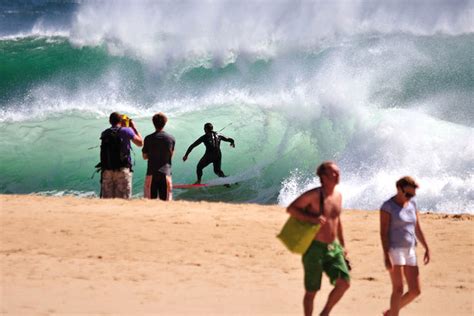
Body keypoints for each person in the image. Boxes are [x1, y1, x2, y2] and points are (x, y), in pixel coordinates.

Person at [286, 161, 350, 316]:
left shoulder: (338, 196)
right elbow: (291, 209)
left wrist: (342, 245)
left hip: (333, 248)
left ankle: (325, 313)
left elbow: (337, 220)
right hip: (314, 248)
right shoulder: (314, 195)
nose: (337, 175)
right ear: (323, 177)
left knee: (344, 282)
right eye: (333, 173)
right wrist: (311, 218)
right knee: (312, 291)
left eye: (337, 172)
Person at [380, 176, 430, 316]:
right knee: (398, 289)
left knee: (415, 290)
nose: (409, 197)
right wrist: (386, 255)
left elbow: (417, 228)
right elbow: (383, 233)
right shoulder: (388, 206)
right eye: (407, 194)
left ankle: (390, 312)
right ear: (398, 189)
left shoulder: (412, 205)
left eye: (412, 195)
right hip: (394, 250)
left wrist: (426, 247)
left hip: (410, 250)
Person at [99, 112, 143, 199]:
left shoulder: (104, 133)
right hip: (122, 169)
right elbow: (140, 143)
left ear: (109, 121)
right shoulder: (126, 130)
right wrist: (133, 128)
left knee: (108, 201)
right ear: (121, 120)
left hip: (107, 170)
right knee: (123, 200)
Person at [142, 112, 176, 201]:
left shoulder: (148, 138)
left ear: (153, 123)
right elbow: (171, 155)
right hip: (166, 173)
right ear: (165, 123)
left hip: (151, 173)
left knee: (150, 202)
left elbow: (144, 156)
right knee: (166, 202)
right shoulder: (171, 138)